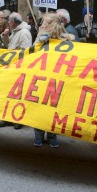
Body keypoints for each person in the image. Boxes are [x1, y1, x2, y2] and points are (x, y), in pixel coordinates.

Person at [32, 12, 69, 148]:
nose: (42, 25)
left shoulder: (65, 38)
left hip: (56, 80)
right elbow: (31, 52)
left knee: (54, 108)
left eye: (45, 23)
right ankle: (38, 135)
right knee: (39, 107)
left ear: (52, 25)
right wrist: (40, 41)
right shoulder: (40, 37)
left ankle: (52, 135)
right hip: (41, 78)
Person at [0, 12, 32, 130]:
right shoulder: (16, 31)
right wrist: (5, 37)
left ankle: (19, 119)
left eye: (9, 21)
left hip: (19, 69)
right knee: (9, 95)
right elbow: (9, 46)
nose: (8, 24)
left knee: (19, 96)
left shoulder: (24, 32)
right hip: (11, 68)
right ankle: (7, 118)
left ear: (12, 22)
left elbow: (26, 52)